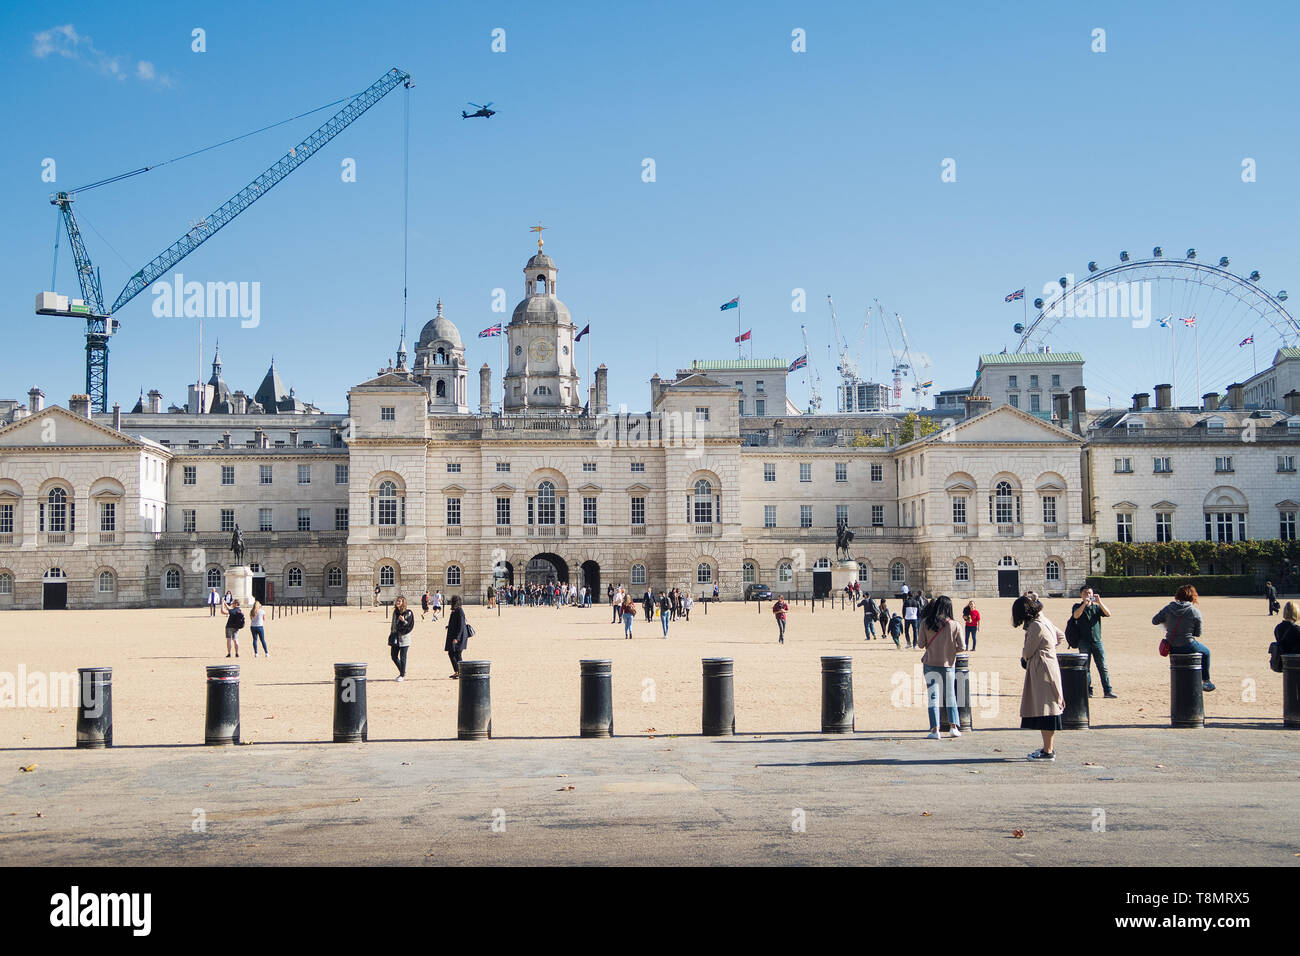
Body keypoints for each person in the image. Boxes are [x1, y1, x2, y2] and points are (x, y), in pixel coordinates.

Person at [1015, 592, 1065, 761]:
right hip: (1049, 665)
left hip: (1041, 668)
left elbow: (1028, 651)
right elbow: (1060, 636)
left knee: (1046, 710)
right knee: (1048, 708)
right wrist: (1049, 648)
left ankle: (1048, 751)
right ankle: (1047, 748)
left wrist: (1031, 655)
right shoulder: (1045, 620)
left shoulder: (1036, 625)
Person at [918, 596, 965, 739]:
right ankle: (953, 727)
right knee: (951, 696)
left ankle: (935, 730)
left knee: (933, 697)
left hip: (930, 664)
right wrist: (950, 651)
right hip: (948, 665)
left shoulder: (925, 622)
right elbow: (962, 647)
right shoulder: (955, 625)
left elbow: (920, 644)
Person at [1153, 584, 1214, 691]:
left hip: (1171, 645)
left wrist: (1167, 624)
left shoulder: (1168, 608)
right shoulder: (1195, 611)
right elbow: (1197, 633)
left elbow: (1155, 621)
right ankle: (1206, 681)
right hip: (1188, 645)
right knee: (1206, 652)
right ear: (1193, 597)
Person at [1070, 587, 1116, 698]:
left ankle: (1107, 690)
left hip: (1097, 641)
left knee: (1102, 667)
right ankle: (1088, 691)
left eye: (1090, 593)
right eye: (1085, 593)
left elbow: (1108, 613)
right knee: (1086, 667)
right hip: (1083, 641)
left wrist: (1099, 602)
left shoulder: (1096, 608)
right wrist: (1084, 605)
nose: (1088, 595)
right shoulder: (1077, 606)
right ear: (1081, 594)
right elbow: (1075, 615)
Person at [389, 595, 415, 681]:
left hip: (404, 638)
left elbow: (410, 625)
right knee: (393, 656)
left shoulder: (408, 613)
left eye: (399, 601)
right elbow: (393, 625)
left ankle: (402, 675)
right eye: (397, 601)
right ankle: (403, 670)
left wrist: (403, 620)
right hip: (395, 637)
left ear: (403, 603)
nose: (397, 602)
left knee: (403, 657)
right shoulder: (395, 613)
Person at [444, 595, 468, 679]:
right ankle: (458, 671)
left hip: (459, 636)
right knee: (453, 653)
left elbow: (461, 625)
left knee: (456, 654)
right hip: (454, 634)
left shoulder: (459, 611)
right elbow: (456, 622)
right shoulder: (455, 610)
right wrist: (449, 626)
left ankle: (461, 672)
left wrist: (457, 638)